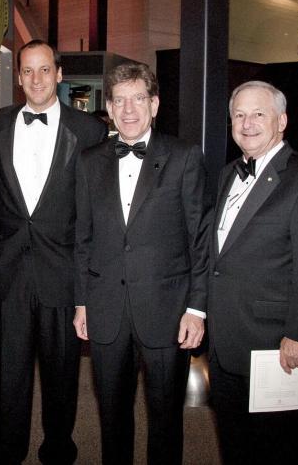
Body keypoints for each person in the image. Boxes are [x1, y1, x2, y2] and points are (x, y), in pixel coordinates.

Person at [73, 62, 210, 465]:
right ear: (110, 109)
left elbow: (199, 240)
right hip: (106, 309)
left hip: (167, 312)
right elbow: (83, 237)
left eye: (137, 99)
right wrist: (82, 302)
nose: (128, 109)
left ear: (154, 105)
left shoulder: (184, 158)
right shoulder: (88, 161)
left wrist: (197, 309)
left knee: (165, 418)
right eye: (119, 100)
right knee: (111, 415)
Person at [208, 80, 298, 465]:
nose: (247, 123)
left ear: (281, 121)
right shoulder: (228, 174)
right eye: (239, 114)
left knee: (280, 448)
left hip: (275, 347)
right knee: (236, 444)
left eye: (258, 114)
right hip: (227, 339)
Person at [0, 39, 106, 465]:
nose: (36, 79)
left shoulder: (89, 130)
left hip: (62, 272)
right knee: (11, 374)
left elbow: (93, 212)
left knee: (62, 375)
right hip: (10, 271)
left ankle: (58, 450)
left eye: (44, 70)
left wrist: (87, 288)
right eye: (27, 71)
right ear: (18, 78)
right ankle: (8, 451)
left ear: (59, 73)